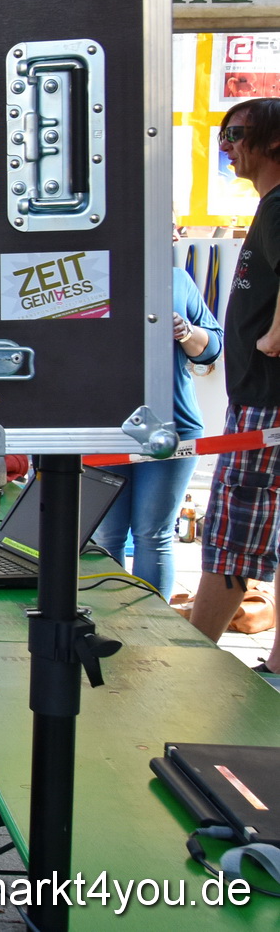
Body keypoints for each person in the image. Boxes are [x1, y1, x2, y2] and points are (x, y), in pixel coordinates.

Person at [190, 98, 280, 672]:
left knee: (230, 533)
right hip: (261, 399)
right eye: (224, 133)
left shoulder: (277, 207)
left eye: (238, 132)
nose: (227, 145)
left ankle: (192, 657)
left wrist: (274, 334)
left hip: (264, 404)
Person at [90, 231, 221, 601]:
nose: (174, 233)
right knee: (106, 536)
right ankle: (110, 629)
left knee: (153, 534)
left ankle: (153, 633)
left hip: (174, 423)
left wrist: (186, 332)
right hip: (104, 426)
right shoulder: (90, 278)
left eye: (176, 226)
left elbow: (211, 347)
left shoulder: (177, 279)